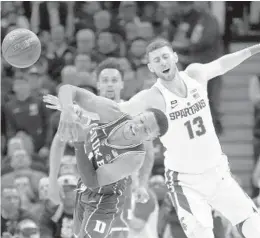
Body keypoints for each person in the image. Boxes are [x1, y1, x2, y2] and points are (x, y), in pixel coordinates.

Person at [52, 38, 260, 238]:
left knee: (253, 225)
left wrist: (254, 49)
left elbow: (222, 63)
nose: (162, 62)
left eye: (165, 56)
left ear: (175, 57)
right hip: (186, 180)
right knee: (202, 234)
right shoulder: (151, 97)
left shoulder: (196, 74)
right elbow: (118, 109)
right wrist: (76, 110)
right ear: (151, 68)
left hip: (217, 171)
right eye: (156, 60)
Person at [44, 85, 168, 238]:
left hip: (105, 199)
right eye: (141, 120)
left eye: (146, 130)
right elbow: (69, 89)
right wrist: (68, 111)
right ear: (138, 114)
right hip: (83, 185)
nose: (138, 127)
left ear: (150, 138)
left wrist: (79, 142)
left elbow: (93, 181)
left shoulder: (134, 158)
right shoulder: (111, 112)